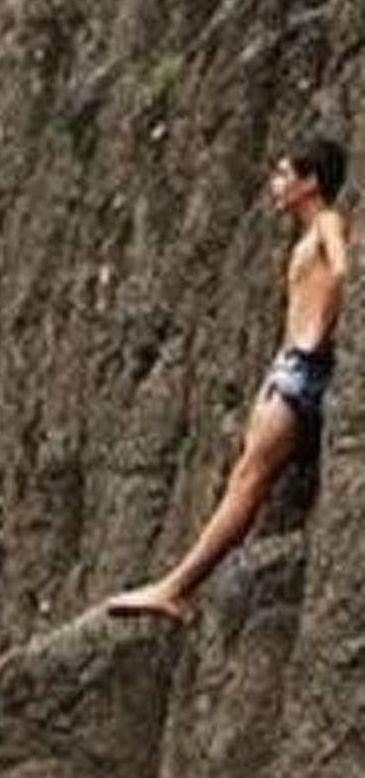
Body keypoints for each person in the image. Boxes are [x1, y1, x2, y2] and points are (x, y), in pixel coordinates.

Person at [106, 137, 349, 623]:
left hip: (302, 369)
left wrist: (315, 335)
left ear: (310, 182)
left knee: (248, 482)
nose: (275, 184)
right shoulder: (309, 233)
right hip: (291, 369)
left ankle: (175, 588)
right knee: (246, 479)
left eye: (284, 174)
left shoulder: (327, 221)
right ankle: (174, 585)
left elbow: (344, 270)